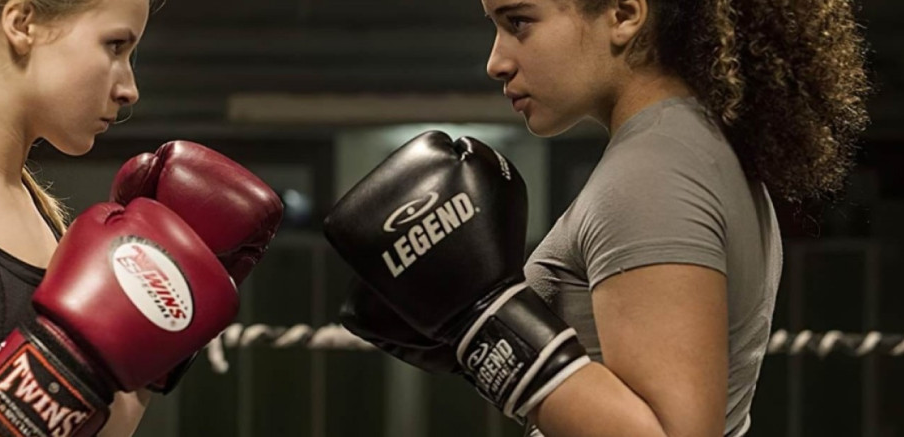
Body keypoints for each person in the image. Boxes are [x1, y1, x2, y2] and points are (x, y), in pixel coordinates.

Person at [328, 0, 870, 435]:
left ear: (623, 14)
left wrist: (483, 319)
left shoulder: (656, 170)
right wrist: (477, 344)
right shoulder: (685, 148)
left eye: (519, 21)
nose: (496, 60)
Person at [0, 0, 283, 435]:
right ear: (22, 24)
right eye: (115, 46)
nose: (129, 88)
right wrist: (67, 366)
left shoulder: (44, 216)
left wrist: (159, 332)